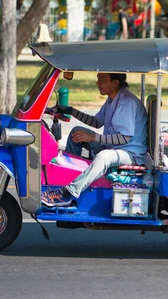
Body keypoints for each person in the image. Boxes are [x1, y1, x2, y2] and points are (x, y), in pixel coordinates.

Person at [42, 73, 148, 207]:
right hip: (115, 146)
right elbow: (96, 122)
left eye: (102, 80)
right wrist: (71, 111)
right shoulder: (112, 99)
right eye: (98, 79)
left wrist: (93, 138)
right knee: (77, 132)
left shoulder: (126, 103)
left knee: (104, 156)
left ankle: (68, 193)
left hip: (130, 153)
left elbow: (124, 138)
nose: (98, 83)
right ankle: (71, 177)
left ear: (115, 83)